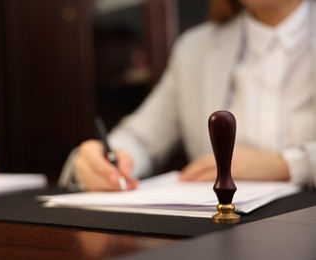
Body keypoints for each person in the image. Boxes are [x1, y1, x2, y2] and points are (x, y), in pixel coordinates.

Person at [59, 0, 316, 191]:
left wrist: (286, 165)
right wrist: (108, 161)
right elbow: (141, 137)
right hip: (217, 234)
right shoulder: (194, 49)